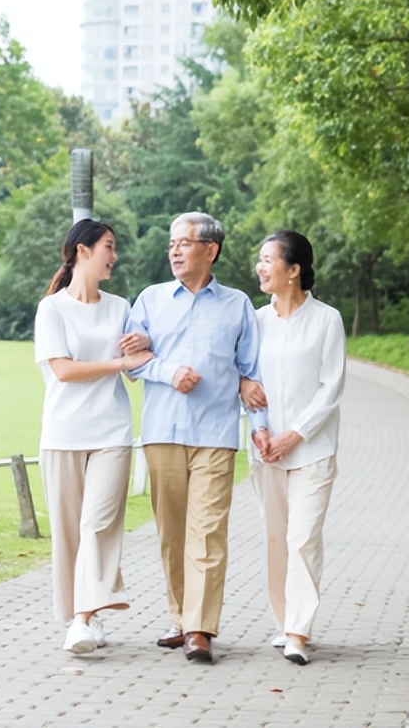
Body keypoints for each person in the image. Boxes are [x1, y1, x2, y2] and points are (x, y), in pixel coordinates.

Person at [123, 211, 263, 664]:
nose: (175, 251)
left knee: (207, 533)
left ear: (210, 249)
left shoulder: (238, 304)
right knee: (172, 535)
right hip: (162, 430)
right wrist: (169, 371)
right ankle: (182, 618)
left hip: (216, 433)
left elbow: (252, 371)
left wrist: (256, 420)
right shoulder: (149, 299)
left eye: (183, 243)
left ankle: (200, 629)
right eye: (171, 244)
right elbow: (132, 358)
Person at [33, 219, 153, 654]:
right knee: (69, 533)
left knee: (97, 525)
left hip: (111, 432)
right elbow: (63, 370)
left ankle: (82, 619)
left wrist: (142, 345)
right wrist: (118, 364)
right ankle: (86, 616)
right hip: (63, 433)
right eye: (108, 246)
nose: (114, 255)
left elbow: (137, 368)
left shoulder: (121, 306)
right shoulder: (52, 309)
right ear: (82, 250)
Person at [246, 230, 346, 666]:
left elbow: (331, 387)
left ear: (294, 270)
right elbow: (248, 384)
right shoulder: (254, 320)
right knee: (276, 539)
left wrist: (295, 434)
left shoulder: (327, 319)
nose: (261, 267)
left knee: (303, 539)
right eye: (260, 260)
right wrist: (262, 430)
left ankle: (298, 631)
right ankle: (283, 619)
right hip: (266, 450)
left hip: (312, 450)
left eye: (269, 260)